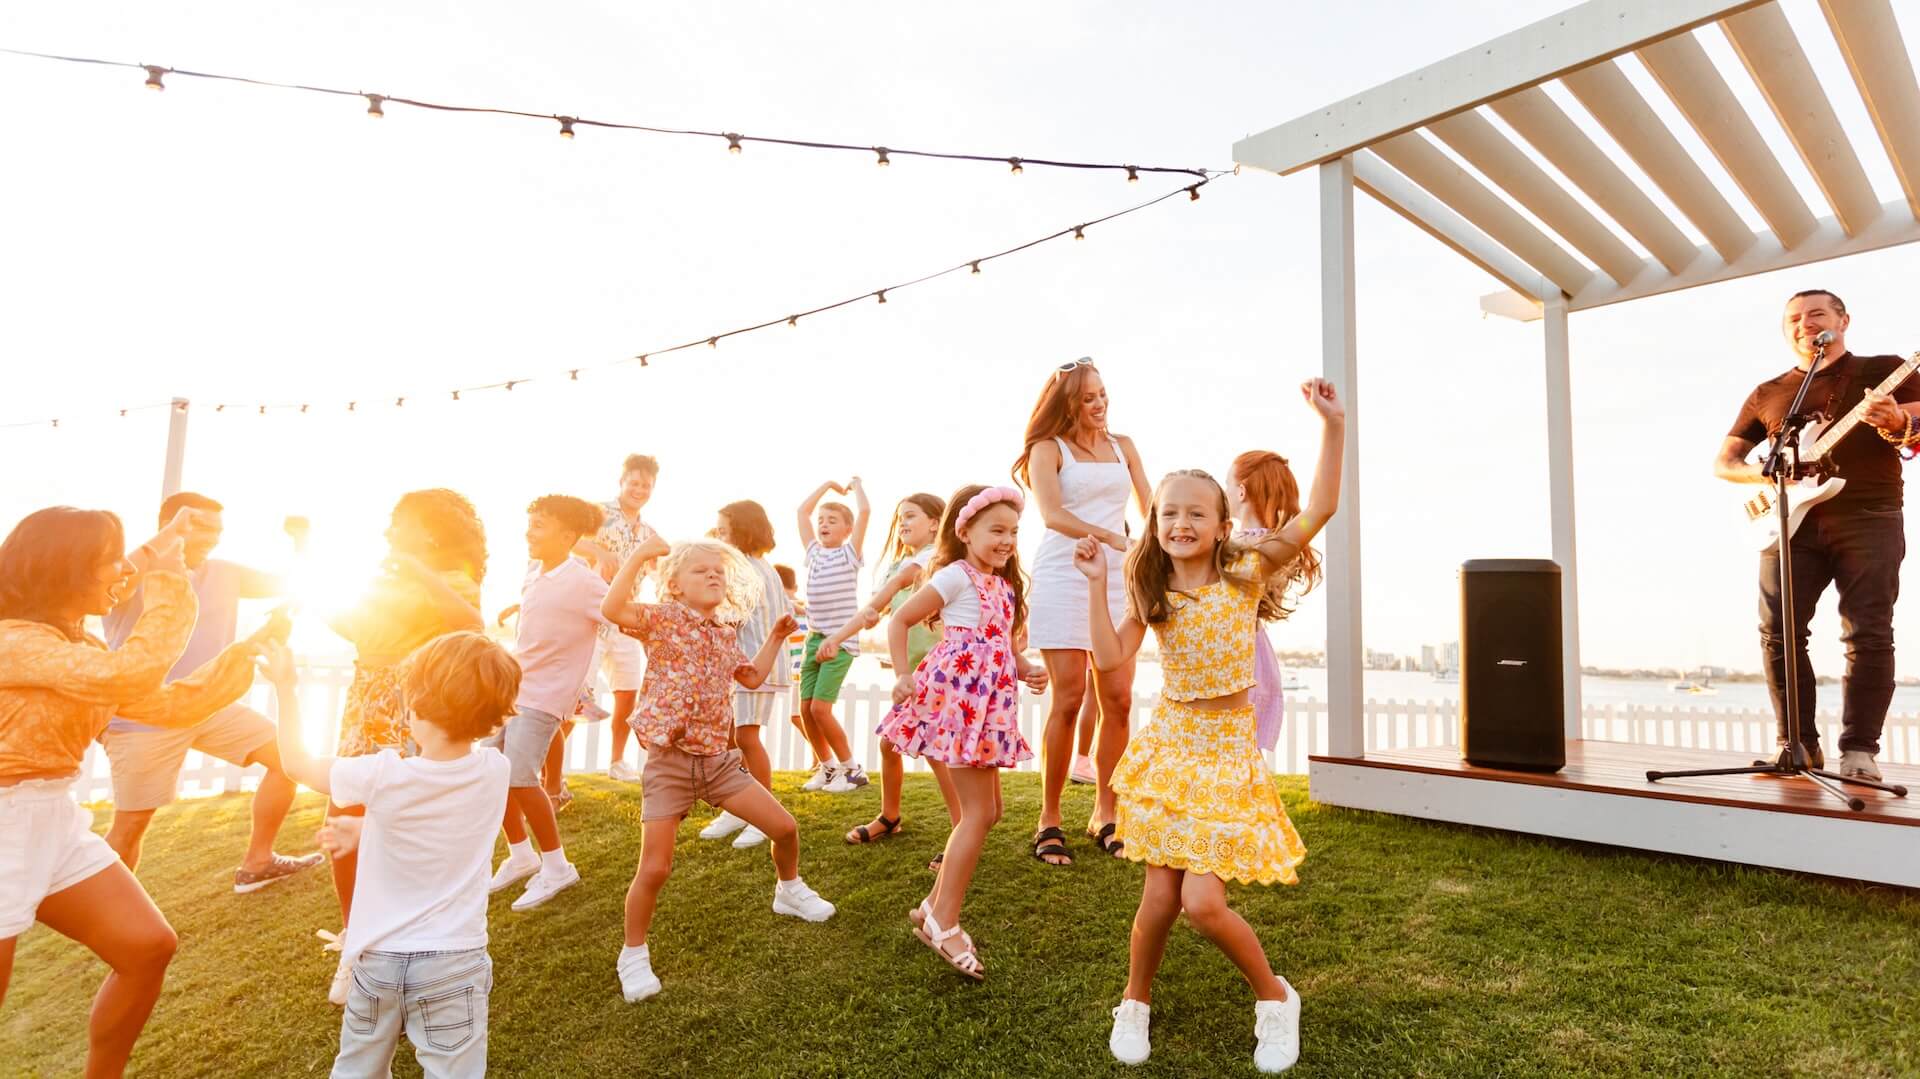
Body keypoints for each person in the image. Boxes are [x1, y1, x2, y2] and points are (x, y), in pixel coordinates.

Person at [1085, 379, 1343, 1073]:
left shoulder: (1246, 571)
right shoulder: (1151, 586)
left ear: (1224, 524)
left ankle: (1275, 997)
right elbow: (1111, 659)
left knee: (1202, 900)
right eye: (1169, 512)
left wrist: (1332, 426)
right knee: (1159, 896)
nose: (1180, 522)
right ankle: (1134, 1000)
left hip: (1227, 749)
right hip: (1171, 745)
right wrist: (1090, 588)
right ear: (1157, 522)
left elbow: (1321, 506)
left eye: (1196, 512)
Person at [0, 506, 278, 1078]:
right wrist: (173, 581)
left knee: (146, 947)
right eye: (107, 562)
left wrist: (245, 652)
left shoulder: (80, 648)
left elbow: (168, 706)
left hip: (53, 818)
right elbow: (129, 674)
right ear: (65, 569)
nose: (120, 575)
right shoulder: (14, 642)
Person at [263, 631, 517, 1079]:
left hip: (376, 961)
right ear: (494, 718)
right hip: (453, 962)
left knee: (357, 1071)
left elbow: (297, 764)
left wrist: (286, 688)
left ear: (415, 706)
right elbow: (441, 820)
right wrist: (367, 828)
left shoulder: (381, 775)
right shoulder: (496, 771)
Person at [602, 540, 834, 1003]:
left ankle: (788, 890)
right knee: (656, 868)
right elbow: (612, 608)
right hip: (668, 765)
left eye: (718, 572)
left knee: (785, 828)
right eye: (701, 571)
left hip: (718, 764)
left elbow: (750, 678)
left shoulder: (724, 632)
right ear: (674, 585)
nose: (713, 576)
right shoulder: (663, 620)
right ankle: (632, 954)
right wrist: (641, 554)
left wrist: (775, 638)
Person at [1715, 289, 1920, 782]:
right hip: (1791, 522)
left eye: (1816, 314)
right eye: (1793, 318)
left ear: (1842, 320)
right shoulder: (1768, 392)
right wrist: (1771, 471)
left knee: (1867, 632)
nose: (1804, 323)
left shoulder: (1885, 369)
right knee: (1778, 632)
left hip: (1868, 513)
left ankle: (1859, 754)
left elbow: (1914, 425)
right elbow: (1725, 463)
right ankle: (1797, 745)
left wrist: (1897, 422)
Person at [99, 491, 321, 892]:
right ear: (172, 523)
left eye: (218, 529)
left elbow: (293, 581)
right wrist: (169, 538)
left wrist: (301, 542)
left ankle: (257, 863)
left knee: (287, 759)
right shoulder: (137, 571)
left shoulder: (224, 572)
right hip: (142, 718)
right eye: (200, 526)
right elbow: (119, 576)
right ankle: (100, 906)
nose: (213, 537)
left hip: (209, 704)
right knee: (131, 826)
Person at [320, 489, 486, 1004]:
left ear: (428, 531)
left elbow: (470, 622)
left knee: (403, 824)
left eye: (401, 523)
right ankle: (356, 939)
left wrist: (415, 568)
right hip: (366, 698)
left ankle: (411, 945)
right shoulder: (385, 578)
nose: (390, 531)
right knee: (341, 815)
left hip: (415, 709)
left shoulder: (454, 577)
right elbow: (355, 625)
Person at [876, 486, 1048, 979]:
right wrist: (899, 674)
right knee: (976, 813)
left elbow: (1003, 650)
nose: (1006, 540)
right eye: (996, 530)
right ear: (965, 531)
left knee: (988, 811)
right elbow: (900, 619)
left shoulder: (1005, 587)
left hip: (989, 705)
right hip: (960, 705)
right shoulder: (955, 576)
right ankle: (944, 922)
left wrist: (1026, 667)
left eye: (1013, 532)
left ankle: (933, 904)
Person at [1015, 357, 1152, 864]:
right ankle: (1049, 818)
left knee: (1117, 700)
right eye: (1088, 397)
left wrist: (1158, 544)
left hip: (1119, 580)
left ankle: (1105, 811)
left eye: (1103, 394)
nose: (1099, 404)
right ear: (1067, 402)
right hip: (1064, 573)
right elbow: (1052, 515)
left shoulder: (1125, 447)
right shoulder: (1046, 450)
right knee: (1069, 698)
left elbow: (1149, 506)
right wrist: (1115, 538)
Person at [487, 496, 617, 912]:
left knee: (523, 778)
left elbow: (618, 613)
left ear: (566, 535)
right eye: (530, 523)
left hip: (546, 697)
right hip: (513, 691)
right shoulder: (534, 573)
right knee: (492, 773)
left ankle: (557, 866)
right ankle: (521, 855)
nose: (529, 531)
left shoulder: (583, 582)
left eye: (539, 525)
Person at [820, 493, 962, 848]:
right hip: (914, 676)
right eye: (900, 518)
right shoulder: (904, 564)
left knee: (936, 753)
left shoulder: (928, 562)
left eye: (910, 516)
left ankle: (962, 833)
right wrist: (851, 629)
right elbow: (875, 611)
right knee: (889, 744)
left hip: (940, 674)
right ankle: (890, 815)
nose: (902, 524)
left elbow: (882, 600)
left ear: (935, 523)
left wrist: (837, 637)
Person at [701, 500, 793, 849]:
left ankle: (763, 813)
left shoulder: (748, 570)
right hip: (740, 665)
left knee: (746, 737)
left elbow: (734, 616)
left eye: (724, 530)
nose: (719, 535)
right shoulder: (747, 566)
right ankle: (738, 806)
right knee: (729, 736)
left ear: (741, 531)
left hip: (756, 663)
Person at [1228, 452, 1325, 754]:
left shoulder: (1244, 547)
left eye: (1227, 484)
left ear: (1241, 491)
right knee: (1244, 758)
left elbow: (1321, 508)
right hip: (1255, 654)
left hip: (1235, 656)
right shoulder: (1277, 542)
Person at [574, 453, 662, 783]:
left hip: (626, 616)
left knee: (627, 690)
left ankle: (616, 761)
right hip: (590, 612)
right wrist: (597, 551)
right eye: (634, 483)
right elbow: (568, 540)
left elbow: (659, 573)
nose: (640, 489)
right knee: (577, 691)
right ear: (621, 482)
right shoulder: (598, 513)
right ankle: (547, 766)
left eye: (647, 485)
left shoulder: (649, 533)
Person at [795, 478, 873, 794]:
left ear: (847, 530)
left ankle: (853, 770)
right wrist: (826, 485)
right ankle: (828, 768)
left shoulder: (849, 554)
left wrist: (855, 487)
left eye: (833, 521)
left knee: (820, 710)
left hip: (839, 642)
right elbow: (802, 512)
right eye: (822, 521)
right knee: (805, 710)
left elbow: (865, 510)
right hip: (814, 638)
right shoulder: (813, 552)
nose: (824, 524)